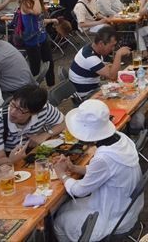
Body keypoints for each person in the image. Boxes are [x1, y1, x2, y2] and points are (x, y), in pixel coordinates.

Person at [53, 99, 143, 242]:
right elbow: (105, 172)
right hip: (123, 206)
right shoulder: (121, 138)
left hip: (114, 217)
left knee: (58, 222)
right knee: (63, 209)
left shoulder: (103, 157)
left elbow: (80, 191)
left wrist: (62, 174)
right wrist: (74, 168)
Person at [0, 85, 65, 165]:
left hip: (24, 156)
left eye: (20, 110)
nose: (13, 112)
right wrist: (12, 160)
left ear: (34, 112)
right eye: (13, 104)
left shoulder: (44, 109)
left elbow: (64, 123)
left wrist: (45, 135)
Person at [69, 26, 130, 98]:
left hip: (91, 87)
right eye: (112, 46)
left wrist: (110, 67)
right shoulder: (90, 57)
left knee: (122, 87)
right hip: (86, 95)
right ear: (101, 43)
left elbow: (107, 71)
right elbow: (112, 76)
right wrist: (118, 55)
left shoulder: (91, 48)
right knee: (124, 94)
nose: (113, 49)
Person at [19, 0, 56, 86]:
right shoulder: (26, 3)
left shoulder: (37, 1)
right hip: (31, 39)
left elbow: (39, 19)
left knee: (49, 62)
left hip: (42, 36)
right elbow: (37, 12)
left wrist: (52, 20)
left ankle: (51, 86)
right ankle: (33, 89)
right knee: (35, 67)